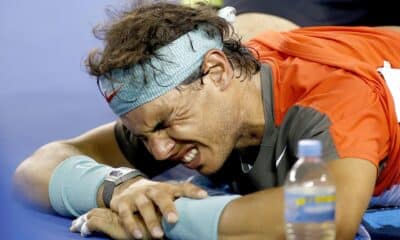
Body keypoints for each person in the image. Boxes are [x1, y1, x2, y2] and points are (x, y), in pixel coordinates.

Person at [13, 1, 400, 240]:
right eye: (144, 136)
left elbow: (327, 220)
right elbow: (34, 170)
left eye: (165, 124)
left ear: (216, 73)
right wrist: (121, 189)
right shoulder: (178, 113)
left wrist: (159, 220)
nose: (160, 149)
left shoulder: (334, 97)